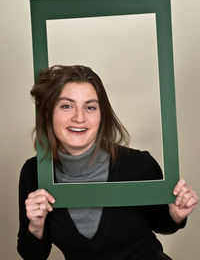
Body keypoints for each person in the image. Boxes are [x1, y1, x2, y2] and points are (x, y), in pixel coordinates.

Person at [17, 65, 198, 260]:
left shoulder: (138, 165)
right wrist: (35, 226)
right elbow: (33, 255)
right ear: (48, 113)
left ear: (101, 116)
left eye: (90, 107)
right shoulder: (33, 173)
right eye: (66, 106)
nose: (79, 117)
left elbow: (163, 225)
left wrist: (176, 215)